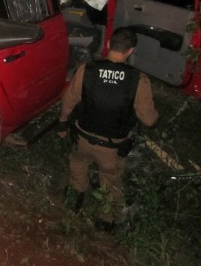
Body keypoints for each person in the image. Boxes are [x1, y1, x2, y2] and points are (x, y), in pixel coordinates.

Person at [57, 27, 158, 231]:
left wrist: (62, 122)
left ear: (109, 44)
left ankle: (73, 202)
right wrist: (155, 118)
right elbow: (148, 119)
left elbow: (69, 100)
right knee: (111, 182)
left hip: (83, 138)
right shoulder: (138, 80)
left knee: (78, 164)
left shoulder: (87, 70)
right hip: (112, 148)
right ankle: (105, 222)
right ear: (130, 51)